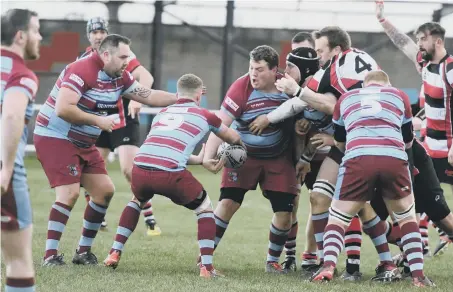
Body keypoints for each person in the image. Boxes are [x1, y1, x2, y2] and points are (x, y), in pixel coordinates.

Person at [250, 27, 383, 280]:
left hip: (361, 147)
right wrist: (304, 155)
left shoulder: (330, 75)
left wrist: (294, 98)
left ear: (335, 51)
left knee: (365, 207)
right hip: (343, 149)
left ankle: (371, 263)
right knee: (321, 199)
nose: (317, 55)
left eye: (319, 51)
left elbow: (331, 106)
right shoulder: (342, 68)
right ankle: (321, 260)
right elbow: (309, 112)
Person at [34, 34, 177, 266]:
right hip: (55, 137)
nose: (126, 61)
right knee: (69, 193)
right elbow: (62, 108)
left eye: (128, 57)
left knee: (104, 191)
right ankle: (50, 256)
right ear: (106, 54)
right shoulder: (82, 69)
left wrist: (181, 98)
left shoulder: (120, 76)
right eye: (123, 57)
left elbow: (148, 95)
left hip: (82, 142)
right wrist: (97, 121)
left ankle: (82, 252)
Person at [103, 73, 242, 278]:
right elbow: (234, 137)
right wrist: (238, 151)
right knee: (204, 209)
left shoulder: (162, 113)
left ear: (177, 94)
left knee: (137, 200)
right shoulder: (205, 115)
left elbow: (165, 149)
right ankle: (207, 267)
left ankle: (114, 252)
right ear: (198, 96)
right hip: (169, 174)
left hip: (140, 168)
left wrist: (199, 160)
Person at [311, 70, 434, 287]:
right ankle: (418, 276)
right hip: (393, 159)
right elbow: (407, 140)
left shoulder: (347, 98)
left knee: (338, 218)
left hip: (358, 158)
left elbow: (340, 140)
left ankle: (328, 266)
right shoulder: (398, 95)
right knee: (406, 218)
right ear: (387, 84)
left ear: (364, 85)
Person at [201, 45, 302, 273]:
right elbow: (220, 124)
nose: (253, 74)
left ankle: (272, 261)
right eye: (251, 68)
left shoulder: (286, 85)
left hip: (279, 157)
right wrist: (208, 156)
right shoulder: (241, 86)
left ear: (274, 70)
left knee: (285, 214)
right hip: (243, 155)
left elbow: (304, 108)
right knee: (227, 204)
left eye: (259, 69)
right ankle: (205, 258)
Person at [375, 0, 453, 256]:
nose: (418, 43)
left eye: (422, 39)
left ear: (438, 41)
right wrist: (383, 21)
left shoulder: (450, 68)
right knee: (424, 203)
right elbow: (403, 44)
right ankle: (413, 252)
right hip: (431, 150)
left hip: (450, 150)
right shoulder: (425, 64)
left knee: (430, 207)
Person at [80, 17, 161, 235]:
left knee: (129, 170)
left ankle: (149, 218)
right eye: (94, 32)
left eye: (102, 31)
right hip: (98, 119)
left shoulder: (121, 53)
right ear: (88, 35)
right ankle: (98, 217)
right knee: (91, 171)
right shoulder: (84, 58)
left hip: (123, 118)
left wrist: (137, 99)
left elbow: (146, 77)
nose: (98, 35)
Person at [1, 8, 42, 292]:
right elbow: (13, 116)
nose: (40, 37)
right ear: (20, 35)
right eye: (37, 31)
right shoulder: (21, 74)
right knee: (18, 261)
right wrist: (5, 168)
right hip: (5, 173)